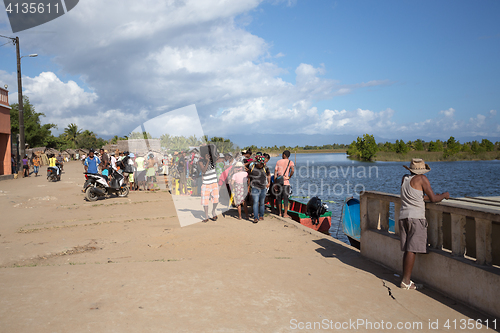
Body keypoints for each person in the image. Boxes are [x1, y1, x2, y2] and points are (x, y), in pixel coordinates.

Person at [399, 158, 449, 290]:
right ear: (422, 170)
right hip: (416, 218)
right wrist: (444, 195)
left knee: (407, 249)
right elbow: (433, 198)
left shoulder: (405, 179)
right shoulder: (422, 179)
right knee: (412, 249)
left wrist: (430, 196)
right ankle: (405, 281)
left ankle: (406, 279)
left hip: (404, 216)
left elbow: (415, 196)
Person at [198, 144, 219, 222]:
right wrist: (207, 161)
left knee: (216, 200)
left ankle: (213, 211)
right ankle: (206, 216)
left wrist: (210, 147)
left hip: (214, 182)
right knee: (205, 201)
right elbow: (203, 171)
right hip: (206, 183)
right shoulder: (200, 161)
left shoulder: (213, 159)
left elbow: (216, 153)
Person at [248, 153, 271, 223]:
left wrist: (269, 182)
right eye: (260, 163)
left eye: (262, 163)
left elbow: (269, 175)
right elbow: (249, 177)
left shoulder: (265, 168)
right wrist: (248, 186)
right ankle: (255, 217)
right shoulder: (251, 167)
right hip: (254, 187)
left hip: (263, 188)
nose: (262, 165)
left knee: (261, 203)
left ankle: (261, 215)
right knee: (255, 202)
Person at [274, 150, 295, 218]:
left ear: (284, 155)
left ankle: (280, 213)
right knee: (286, 198)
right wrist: (289, 176)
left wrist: (275, 183)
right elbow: (293, 170)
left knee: (279, 198)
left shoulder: (278, 162)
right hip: (286, 182)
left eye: (282, 154)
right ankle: (285, 214)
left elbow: (275, 173)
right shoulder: (290, 162)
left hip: (279, 182)